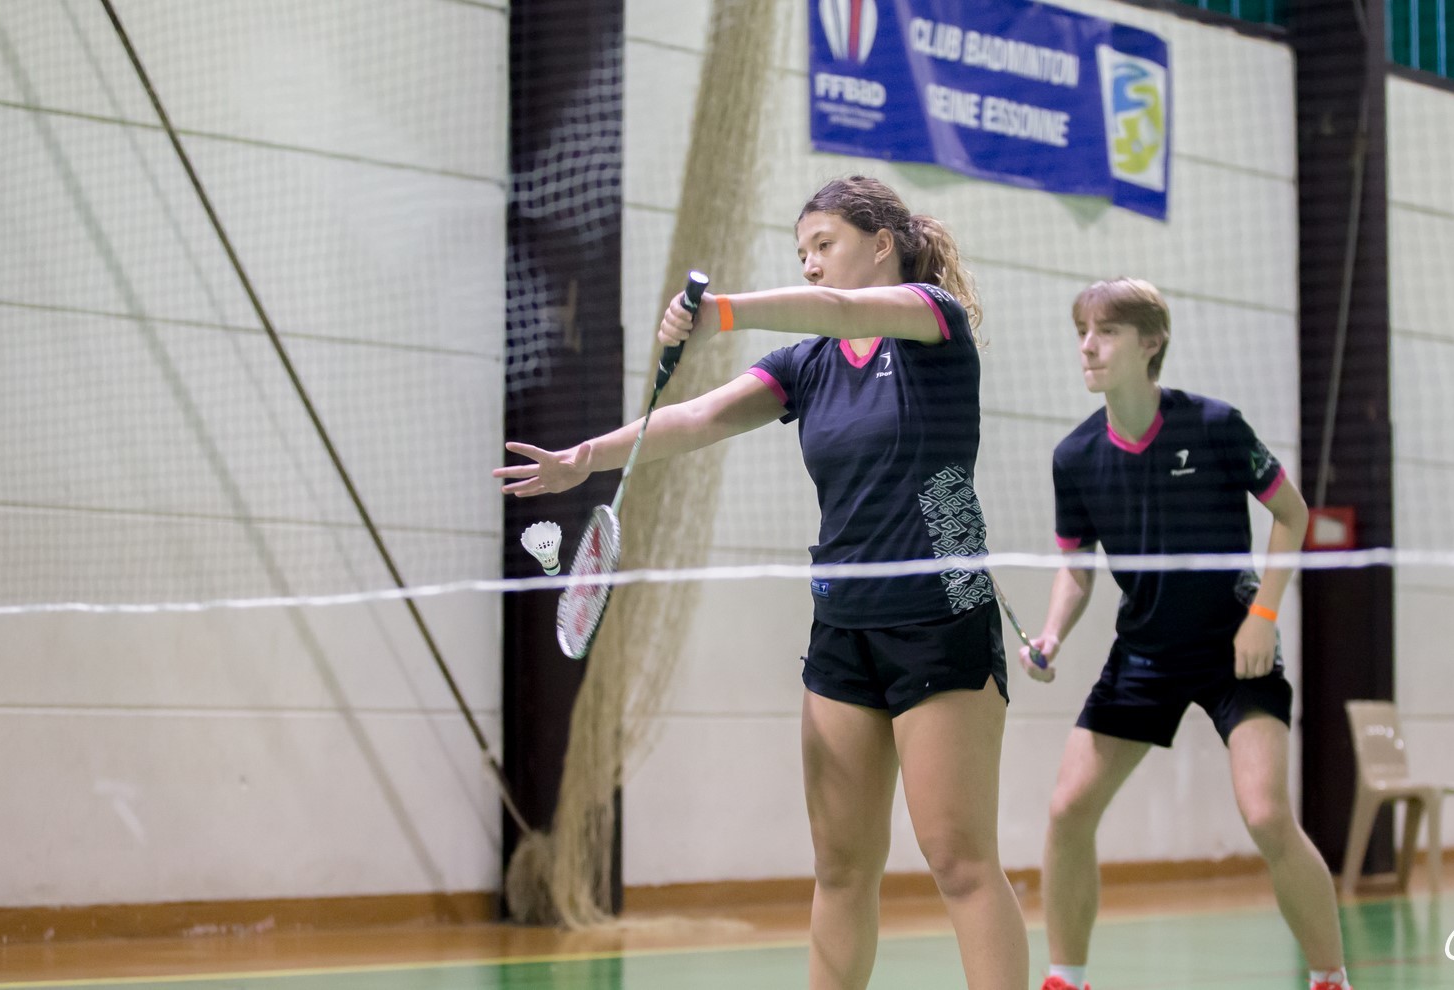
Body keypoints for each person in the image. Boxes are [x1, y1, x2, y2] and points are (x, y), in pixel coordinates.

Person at [496, 176, 1029, 990]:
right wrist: (586, 459)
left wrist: (726, 312)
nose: (812, 265)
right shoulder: (808, 363)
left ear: (880, 242)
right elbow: (701, 416)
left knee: (958, 860)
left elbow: (849, 312)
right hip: (844, 622)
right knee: (841, 868)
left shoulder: (931, 318)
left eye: (825, 245)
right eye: (802, 253)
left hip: (940, 610)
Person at [1021, 278, 1351, 990]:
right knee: (1067, 809)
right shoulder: (1075, 457)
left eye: (1105, 332)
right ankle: (1065, 977)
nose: (1087, 346)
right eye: (1082, 331)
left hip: (1236, 643)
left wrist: (1263, 616)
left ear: (1151, 343)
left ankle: (1330, 978)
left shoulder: (1214, 426)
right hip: (1143, 650)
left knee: (1266, 816)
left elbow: (1294, 517)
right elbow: (1075, 570)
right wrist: (1050, 636)